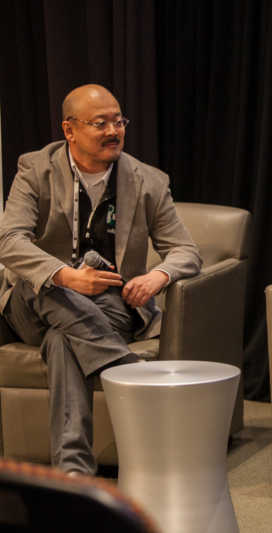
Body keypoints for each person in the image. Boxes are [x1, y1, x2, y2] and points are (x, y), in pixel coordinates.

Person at [0, 84, 202, 476]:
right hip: (36, 303)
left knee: (63, 340)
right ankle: (130, 371)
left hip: (108, 306)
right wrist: (66, 276)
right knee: (41, 284)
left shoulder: (148, 181)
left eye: (119, 121)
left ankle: (73, 474)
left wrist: (158, 275)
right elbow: (9, 241)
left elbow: (185, 250)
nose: (114, 131)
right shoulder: (35, 169)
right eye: (100, 123)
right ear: (69, 130)